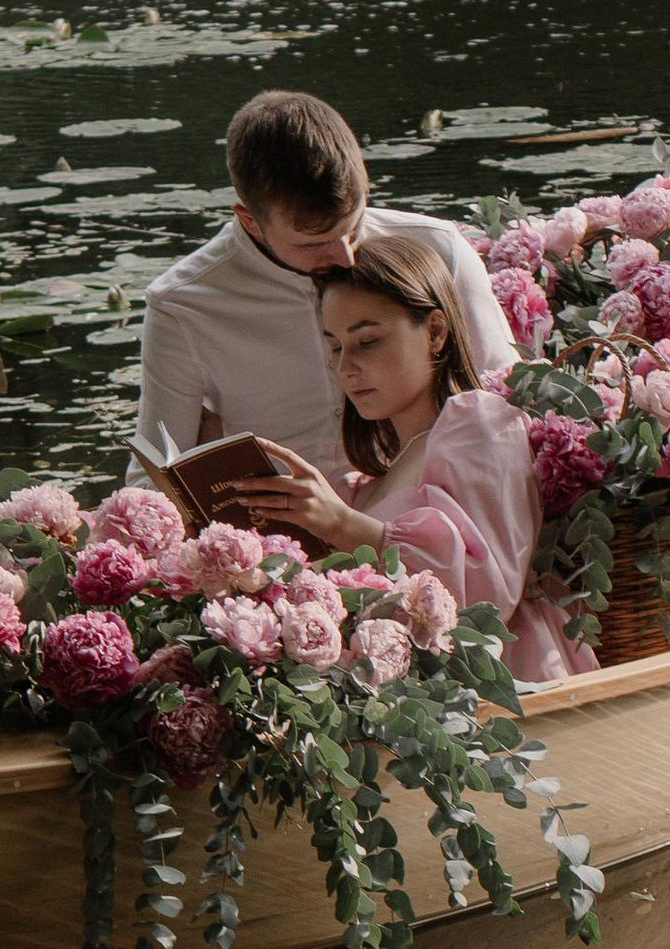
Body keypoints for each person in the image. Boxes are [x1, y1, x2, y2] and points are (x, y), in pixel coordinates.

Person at [233, 230, 593, 683]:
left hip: (504, 682)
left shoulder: (479, 422)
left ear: (435, 331)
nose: (346, 368)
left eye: (367, 342)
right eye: (335, 347)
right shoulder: (370, 477)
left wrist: (340, 524)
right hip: (410, 698)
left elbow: (488, 596)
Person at [132, 88, 513, 474]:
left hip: (438, 504)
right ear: (251, 221)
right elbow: (156, 476)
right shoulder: (183, 305)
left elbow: (509, 399)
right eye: (314, 243)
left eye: (353, 228)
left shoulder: (440, 250)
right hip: (275, 529)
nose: (345, 256)